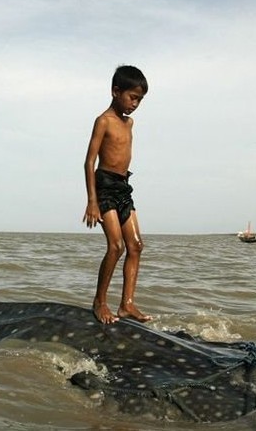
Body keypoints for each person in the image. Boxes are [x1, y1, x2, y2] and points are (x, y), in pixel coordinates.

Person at [82, 65, 151, 324]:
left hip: (123, 186)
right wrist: (92, 201)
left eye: (140, 100)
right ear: (115, 91)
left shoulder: (129, 123)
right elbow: (89, 162)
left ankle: (127, 305)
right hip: (105, 185)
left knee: (136, 245)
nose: (135, 104)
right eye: (132, 97)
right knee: (116, 246)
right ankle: (99, 302)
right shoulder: (104, 121)